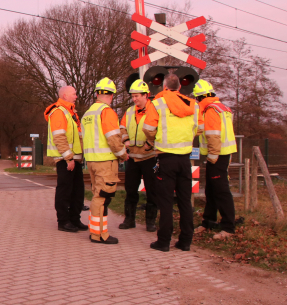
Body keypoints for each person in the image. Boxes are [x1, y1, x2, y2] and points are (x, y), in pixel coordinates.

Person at [150, 73, 199, 252]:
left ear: (164, 88)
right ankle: (185, 241)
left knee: (165, 202)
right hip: (185, 159)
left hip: (166, 158)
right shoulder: (194, 105)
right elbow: (198, 129)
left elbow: (149, 128)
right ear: (179, 87)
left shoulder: (157, 104)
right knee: (185, 201)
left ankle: (163, 241)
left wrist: (155, 141)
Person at [81, 78, 129, 244]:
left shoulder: (88, 113)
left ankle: (96, 232)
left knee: (97, 195)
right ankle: (100, 235)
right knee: (102, 198)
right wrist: (123, 154)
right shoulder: (106, 112)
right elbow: (113, 139)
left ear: (97, 94)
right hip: (105, 162)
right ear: (112, 95)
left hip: (92, 161)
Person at [193, 79, 238, 240]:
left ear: (199, 98)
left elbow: (213, 136)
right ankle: (208, 222)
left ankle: (228, 227)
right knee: (211, 190)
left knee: (221, 191)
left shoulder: (210, 110)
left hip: (217, 155)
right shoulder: (222, 108)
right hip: (223, 154)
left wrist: (211, 157)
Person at [119, 79, 160, 232]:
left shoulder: (154, 110)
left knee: (152, 191)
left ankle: (150, 222)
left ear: (146, 95)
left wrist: (151, 144)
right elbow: (122, 127)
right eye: (133, 96)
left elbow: (160, 131)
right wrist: (126, 140)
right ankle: (129, 219)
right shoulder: (129, 111)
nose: (134, 99)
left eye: (137, 96)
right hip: (133, 158)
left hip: (150, 157)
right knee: (130, 190)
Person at [45, 85, 87, 232]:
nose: (76, 96)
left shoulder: (70, 113)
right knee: (65, 190)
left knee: (77, 191)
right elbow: (59, 137)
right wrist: (68, 158)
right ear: (64, 96)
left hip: (74, 159)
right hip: (66, 159)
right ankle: (63, 221)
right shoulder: (59, 112)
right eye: (74, 94)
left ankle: (75, 219)